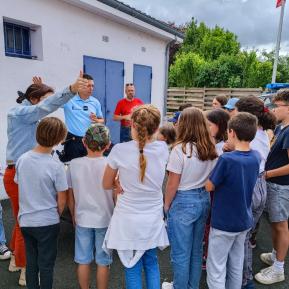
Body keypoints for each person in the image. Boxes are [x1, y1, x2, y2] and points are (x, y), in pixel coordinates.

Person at [3, 72, 87, 286]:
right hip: (18, 173)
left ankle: (16, 260)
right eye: (46, 101)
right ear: (34, 101)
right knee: (23, 222)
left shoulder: (27, 114)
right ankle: (23, 268)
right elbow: (43, 107)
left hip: (21, 171)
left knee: (22, 220)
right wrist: (70, 89)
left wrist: (42, 90)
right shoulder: (21, 113)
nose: (50, 107)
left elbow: (42, 106)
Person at [103, 104, 169, 289]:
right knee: (151, 262)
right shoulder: (163, 149)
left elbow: (106, 183)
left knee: (131, 265)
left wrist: (116, 181)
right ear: (156, 128)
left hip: (127, 218)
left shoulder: (119, 150)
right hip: (152, 217)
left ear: (131, 124)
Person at [162, 107, 218, 289]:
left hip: (183, 201)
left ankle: (179, 286)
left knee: (180, 253)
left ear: (184, 125)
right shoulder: (210, 147)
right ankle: (191, 286)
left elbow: (172, 184)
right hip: (203, 198)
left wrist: (166, 205)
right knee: (196, 250)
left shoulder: (180, 149)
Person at [205, 112, 260, 289]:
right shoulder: (256, 156)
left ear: (232, 132)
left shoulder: (226, 159)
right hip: (243, 221)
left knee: (216, 268)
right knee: (236, 264)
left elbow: (209, 186)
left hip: (223, 223)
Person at [15, 117, 68, 289]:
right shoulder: (56, 166)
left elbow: (19, 184)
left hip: (26, 221)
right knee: (46, 266)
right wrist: (56, 214)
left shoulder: (22, 159)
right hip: (47, 222)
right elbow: (62, 199)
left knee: (31, 264)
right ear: (59, 139)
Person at [235, 96, 276, 289]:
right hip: (261, 185)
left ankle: (244, 280)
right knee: (246, 235)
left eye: (236, 111)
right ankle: (243, 277)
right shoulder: (262, 134)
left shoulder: (251, 141)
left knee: (241, 237)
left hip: (250, 186)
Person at [67, 124, 114, 289]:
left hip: (82, 218)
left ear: (84, 142)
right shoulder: (111, 164)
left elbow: (70, 196)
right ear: (108, 145)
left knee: (83, 260)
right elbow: (116, 195)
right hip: (106, 218)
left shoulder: (73, 164)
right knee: (103, 262)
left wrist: (73, 215)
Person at [255, 89, 289, 285]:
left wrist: (267, 174)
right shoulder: (280, 128)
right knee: (275, 224)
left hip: (281, 186)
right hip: (274, 185)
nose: (273, 110)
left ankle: (278, 268)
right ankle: (277, 254)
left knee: (281, 225)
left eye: (278, 106)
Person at [61, 73, 104, 162]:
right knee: (71, 167)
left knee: (89, 167)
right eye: (88, 86)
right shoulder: (69, 99)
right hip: (72, 140)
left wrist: (97, 120)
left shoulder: (95, 102)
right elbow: (53, 101)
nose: (91, 88)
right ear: (80, 86)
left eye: (92, 86)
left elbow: (102, 120)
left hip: (90, 140)